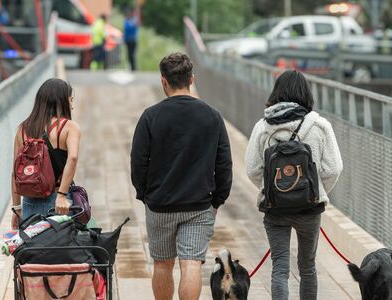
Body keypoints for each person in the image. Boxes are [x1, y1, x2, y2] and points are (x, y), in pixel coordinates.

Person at [130, 52, 232, 300]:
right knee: (191, 263)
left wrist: (146, 195)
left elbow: (138, 162)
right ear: (192, 79)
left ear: (163, 81)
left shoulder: (150, 116)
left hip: (160, 204)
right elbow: (225, 164)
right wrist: (217, 200)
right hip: (198, 206)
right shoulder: (212, 116)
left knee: (162, 264)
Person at [244, 70, 343, 300]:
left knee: (280, 267)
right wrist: (315, 191)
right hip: (309, 208)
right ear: (306, 94)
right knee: (307, 267)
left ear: (276, 93)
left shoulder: (263, 126)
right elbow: (334, 168)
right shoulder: (319, 125)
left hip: (275, 208)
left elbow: (252, 169)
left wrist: (272, 189)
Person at [11, 78, 82, 229]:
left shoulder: (23, 130)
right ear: (62, 101)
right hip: (59, 202)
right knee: (60, 247)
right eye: (71, 100)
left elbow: (15, 173)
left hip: (30, 202)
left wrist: (17, 209)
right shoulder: (69, 127)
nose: (72, 105)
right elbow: (73, 158)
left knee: (35, 250)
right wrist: (62, 195)